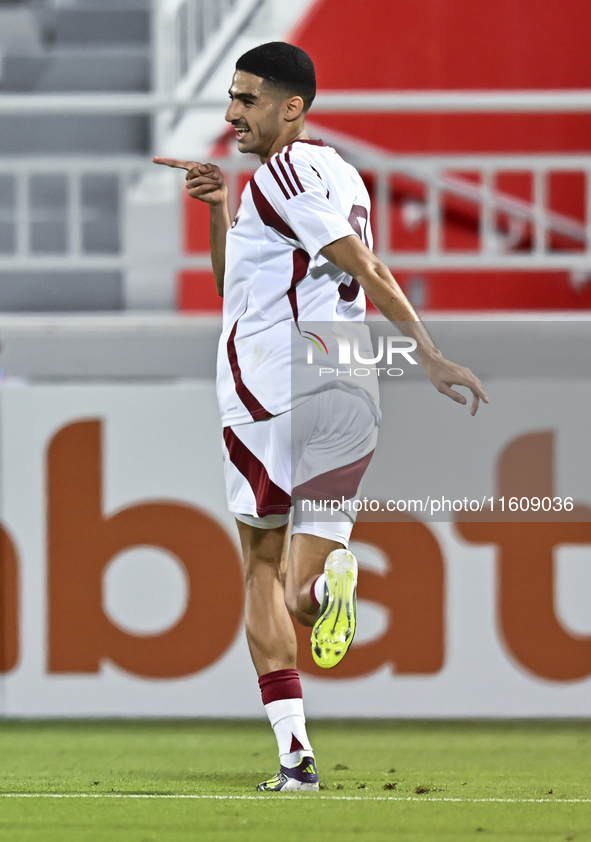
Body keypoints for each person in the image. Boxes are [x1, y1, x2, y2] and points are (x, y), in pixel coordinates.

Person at [154, 41, 488, 793]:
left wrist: (430, 351)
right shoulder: (336, 171)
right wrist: (219, 213)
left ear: (290, 106)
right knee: (305, 598)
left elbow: (366, 269)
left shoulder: (285, 174)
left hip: (272, 389)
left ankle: (295, 758)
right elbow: (235, 285)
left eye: (246, 99)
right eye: (232, 98)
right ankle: (332, 586)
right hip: (346, 389)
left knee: (259, 567)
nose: (232, 113)